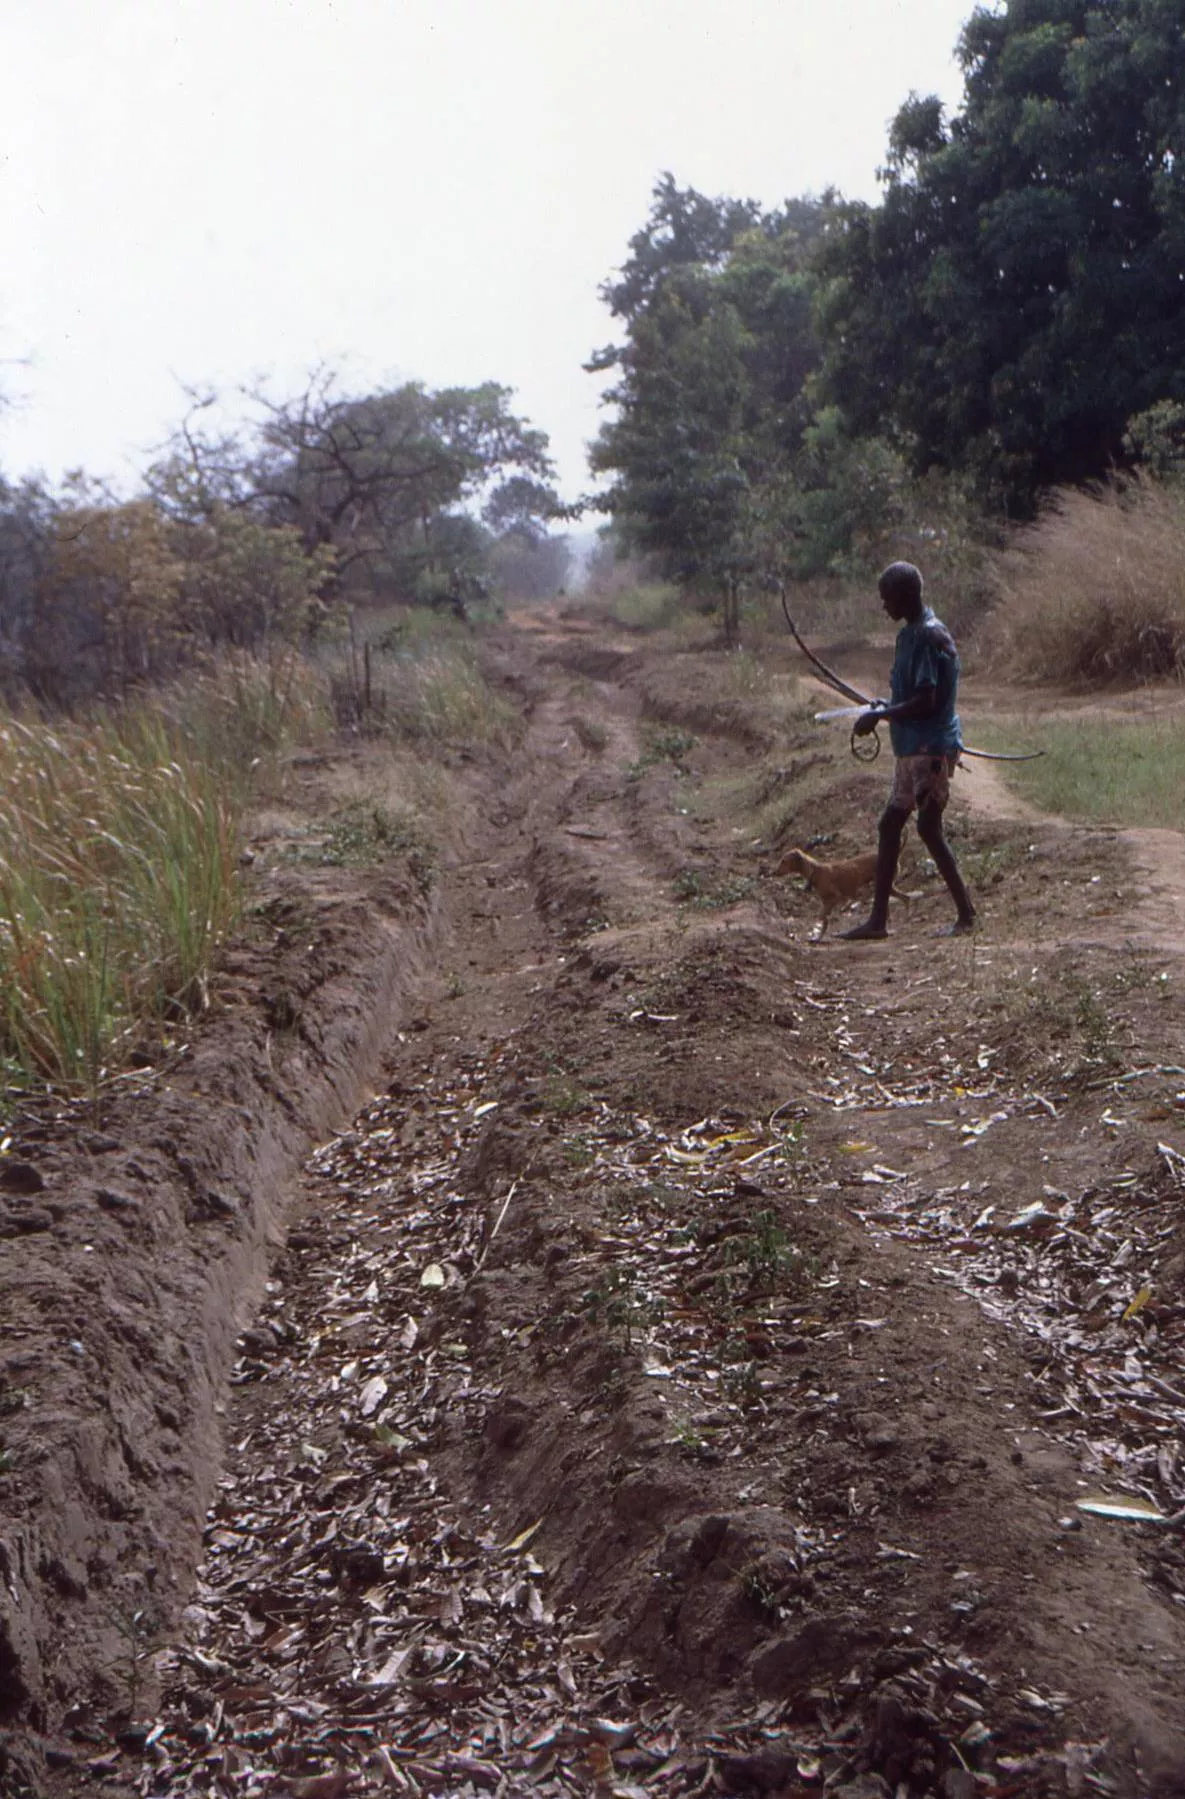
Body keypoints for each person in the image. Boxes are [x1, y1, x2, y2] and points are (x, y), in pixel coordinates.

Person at [840, 561, 975, 940]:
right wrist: (885, 707)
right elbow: (911, 695)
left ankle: (967, 915)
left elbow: (927, 700)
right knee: (891, 825)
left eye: (888, 598)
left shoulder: (928, 635)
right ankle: (878, 921)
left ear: (906, 595)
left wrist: (880, 716)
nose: (884, 605)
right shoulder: (911, 635)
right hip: (912, 748)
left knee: (928, 828)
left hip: (929, 749)